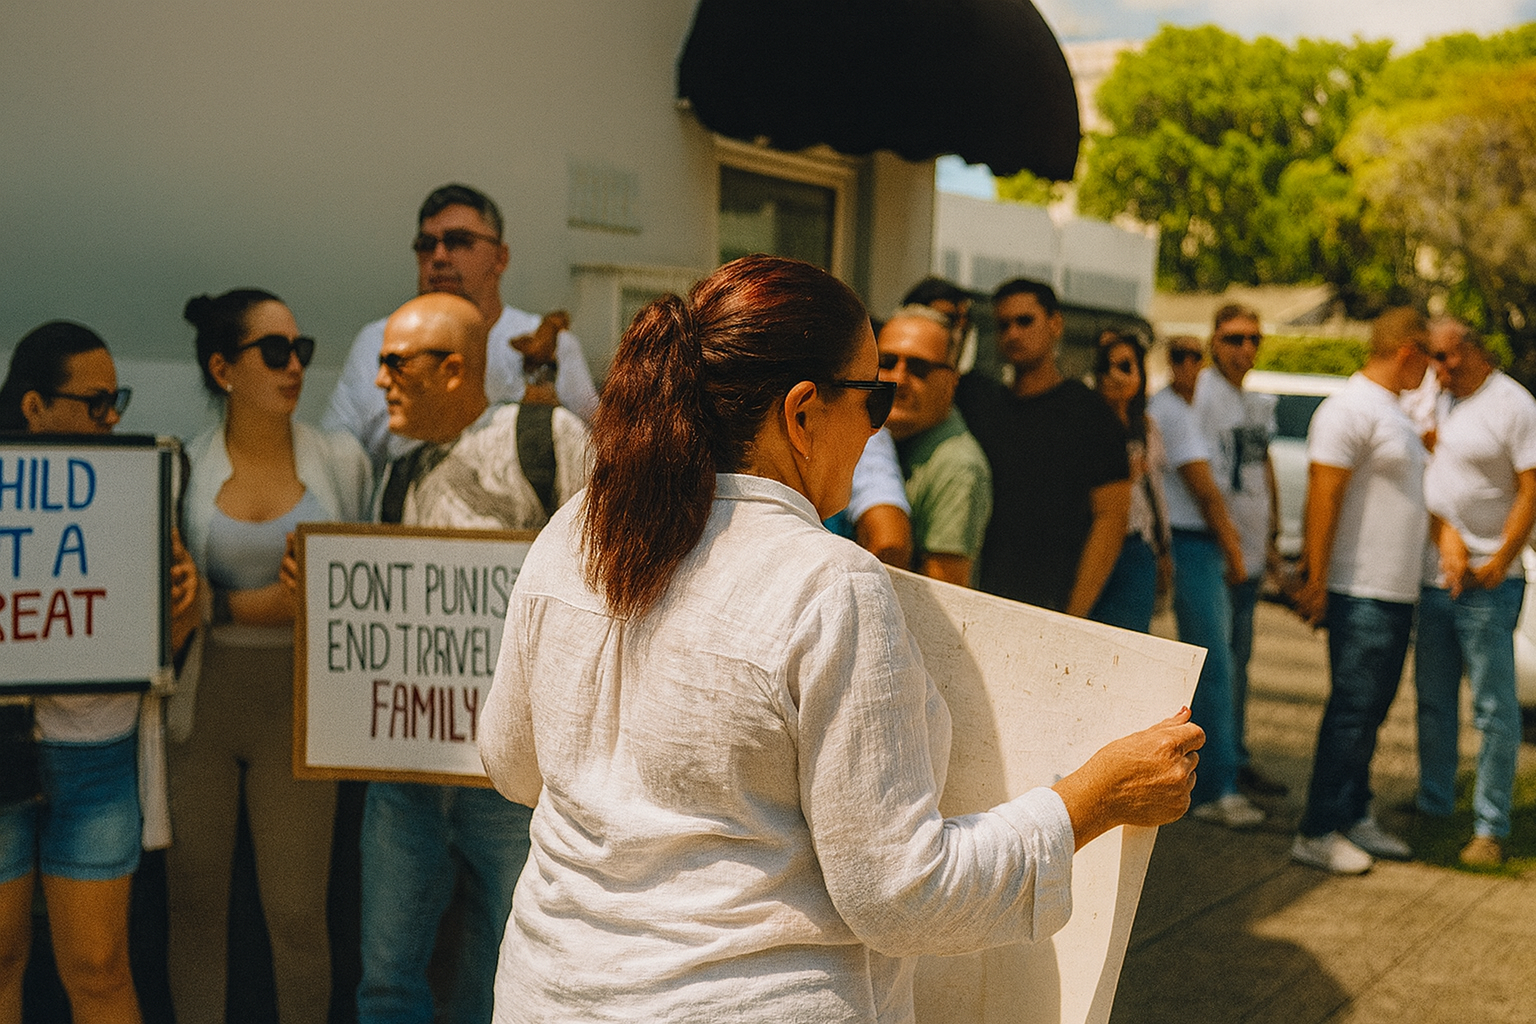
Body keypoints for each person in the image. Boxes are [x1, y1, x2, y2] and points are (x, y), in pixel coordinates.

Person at [479, 255, 1204, 1022]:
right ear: (802, 412)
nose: (877, 424)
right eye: (874, 396)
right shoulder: (828, 584)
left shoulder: (576, 531)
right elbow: (900, 896)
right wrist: (1090, 799)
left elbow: (512, 765)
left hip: (548, 993)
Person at [355, 293, 592, 1024]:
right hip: (407, 775)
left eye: (395, 363)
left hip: (517, 783)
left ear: (454, 369)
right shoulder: (394, 474)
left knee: (511, 978)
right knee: (387, 980)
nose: (379, 380)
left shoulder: (548, 438)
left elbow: (608, 584)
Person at [170, 290, 373, 1023]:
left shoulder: (341, 463)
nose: (296, 367)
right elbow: (173, 612)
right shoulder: (183, 470)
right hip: (201, 707)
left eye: (302, 350)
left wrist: (228, 605)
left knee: (298, 915)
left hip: (302, 711)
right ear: (224, 368)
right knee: (195, 906)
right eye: (277, 351)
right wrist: (252, 606)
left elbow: (364, 588)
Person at [0, 322, 198, 1024]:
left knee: (100, 967)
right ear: (32, 407)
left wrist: (181, 611)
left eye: (118, 400)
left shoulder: (137, 489)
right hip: (3, 751)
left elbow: (163, 644)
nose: (113, 418)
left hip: (99, 749)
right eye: (96, 403)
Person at [1291, 307, 1431, 875]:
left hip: (1396, 591)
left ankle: (1354, 813)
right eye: (1428, 354)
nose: (1433, 368)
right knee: (1352, 710)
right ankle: (1317, 829)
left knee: (1371, 711)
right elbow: (1324, 495)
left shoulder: (1389, 410)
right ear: (1406, 351)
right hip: (1360, 588)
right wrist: (1316, 582)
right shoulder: (1348, 409)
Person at [324, 183, 598, 472]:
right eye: (426, 245)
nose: (439, 257)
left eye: (459, 241)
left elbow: (590, 451)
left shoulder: (550, 344)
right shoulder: (377, 342)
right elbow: (337, 455)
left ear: (500, 258)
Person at [1412, 317, 1536, 867]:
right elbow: (1435, 475)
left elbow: (1532, 487)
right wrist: (1449, 535)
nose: (1435, 368)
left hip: (1491, 582)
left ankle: (1491, 825)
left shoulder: (1514, 404)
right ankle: (1434, 804)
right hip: (1439, 576)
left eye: (1441, 356)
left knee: (1492, 709)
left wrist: (1502, 558)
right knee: (1434, 701)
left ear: (1468, 350)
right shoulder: (1438, 398)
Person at [955, 278, 1130, 615]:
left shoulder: (1090, 413)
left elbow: (1112, 517)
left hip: (1057, 603)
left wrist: (1074, 614)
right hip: (985, 599)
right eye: (1003, 325)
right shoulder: (982, 404)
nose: (1013, 334)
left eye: (1025, 321)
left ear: (1055, 324)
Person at [1146, 336, 1265, 829]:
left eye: (1195, 356)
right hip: (1193, 542)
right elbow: (1205, 490)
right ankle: (1216, 788)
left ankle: (1221, 774)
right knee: (1213, 667)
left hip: (1205, 543)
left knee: (1226, 665)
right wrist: (1237, 552)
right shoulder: (1170, 410)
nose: (1188, 365)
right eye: (1178, 355)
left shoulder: (1200, 408)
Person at [1194, 306, 1289, 799]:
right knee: (1219, 667)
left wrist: (1270, 540)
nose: (1245, 349)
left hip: (1252, 551)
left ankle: (1237, 757)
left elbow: (1262, 467)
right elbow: (1203, 481)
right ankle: (1214, 773)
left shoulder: (1252, 402)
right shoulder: (1203, 398)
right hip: (1219, 551)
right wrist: (1230, 544)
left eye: (1254, 338)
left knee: (1240, 663)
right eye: (1234, 338)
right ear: (1214, 339)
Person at [877, 305, 991, 586]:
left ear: (952, 381)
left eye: (918, 368)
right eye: (888, 361)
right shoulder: (873, 434)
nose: (898, 379)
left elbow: (940, 599)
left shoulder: (959, 467)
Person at [1088, 331, 1170, 632]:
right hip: (1092, 538)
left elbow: (1155, 493)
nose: (1115, 376)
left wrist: (1163, 549)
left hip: (1136, 544)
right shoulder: (1085, 422)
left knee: (1128, 642)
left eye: (1125, 367)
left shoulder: (1147, 428)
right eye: (1106, 367)